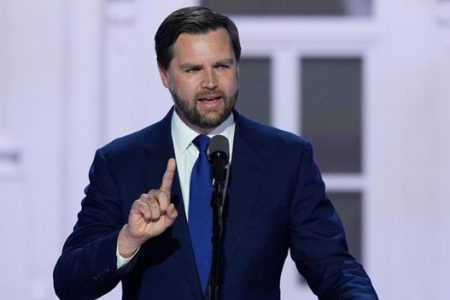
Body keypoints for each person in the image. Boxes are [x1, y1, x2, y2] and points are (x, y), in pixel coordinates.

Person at [53, 6, 378, 300]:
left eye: (221, 65)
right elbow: (70, 283)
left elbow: (333, 267)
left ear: (237, 67)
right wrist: (128, 239)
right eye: (193, 69)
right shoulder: (120, 163)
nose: (210, 82)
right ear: (164, 75)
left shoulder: (287, 159)